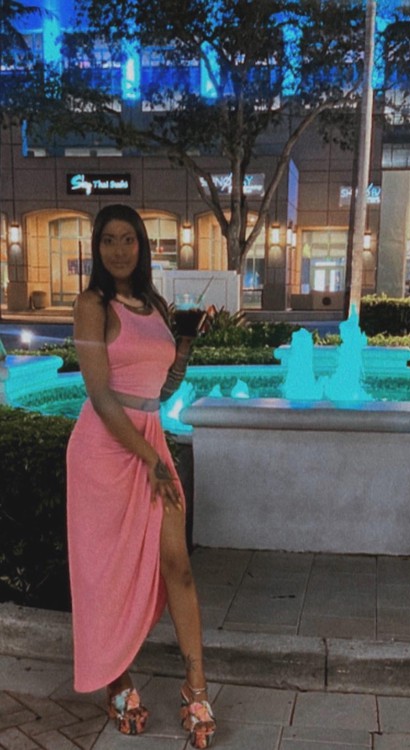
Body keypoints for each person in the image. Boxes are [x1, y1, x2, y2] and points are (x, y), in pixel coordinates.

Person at [66, 204, 216, 748]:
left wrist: (187, 343)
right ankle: (118, 679)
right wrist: (150, 460)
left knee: (178, 566)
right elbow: (101, 396)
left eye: (128, 239)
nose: (119, 249)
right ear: (97, 247)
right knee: (106, 573)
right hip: (104, 453)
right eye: (108, 240)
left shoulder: (154, 304)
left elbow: (161, 389)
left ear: (142, 245)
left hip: (149, 442)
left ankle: (196, 685)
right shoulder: (91, 305)